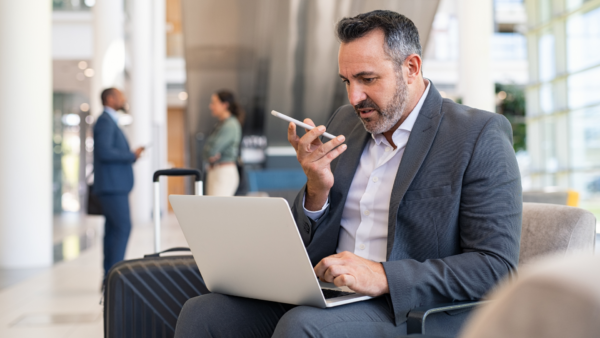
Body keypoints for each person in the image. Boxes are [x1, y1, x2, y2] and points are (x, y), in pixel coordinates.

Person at [174, 10, 522, 337]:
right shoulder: (345, 123)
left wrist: (383, 276)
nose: (355, 97)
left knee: (303, 327)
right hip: (330, 294)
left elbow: (496, 268)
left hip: (409, 308)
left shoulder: (477, 135)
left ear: (412, 68)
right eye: (347, 81)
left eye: (367, 79)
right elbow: (307, 241)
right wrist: (316, 189)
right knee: (203, 313)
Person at [93, 88, 144, 277]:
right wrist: (131, 155)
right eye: (120, 95)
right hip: (112, 187)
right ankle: (116, 277)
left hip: (113, 186)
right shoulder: (105, 121)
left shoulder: (110, 121)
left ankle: (109, 276)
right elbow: (104, 152)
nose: (124, 98)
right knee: (123, 227)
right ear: (110, 99)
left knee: (113, 230)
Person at [203, 90, 243, 196]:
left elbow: (212, 150)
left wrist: (211, 153)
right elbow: (206, 152)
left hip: (224, 172)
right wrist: (210, 153)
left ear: (225, 105)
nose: (211, 106)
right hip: (215, 171)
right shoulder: (220, 125)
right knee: (212, 209)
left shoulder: (230, 125)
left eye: (214, 103)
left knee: (218, 210)